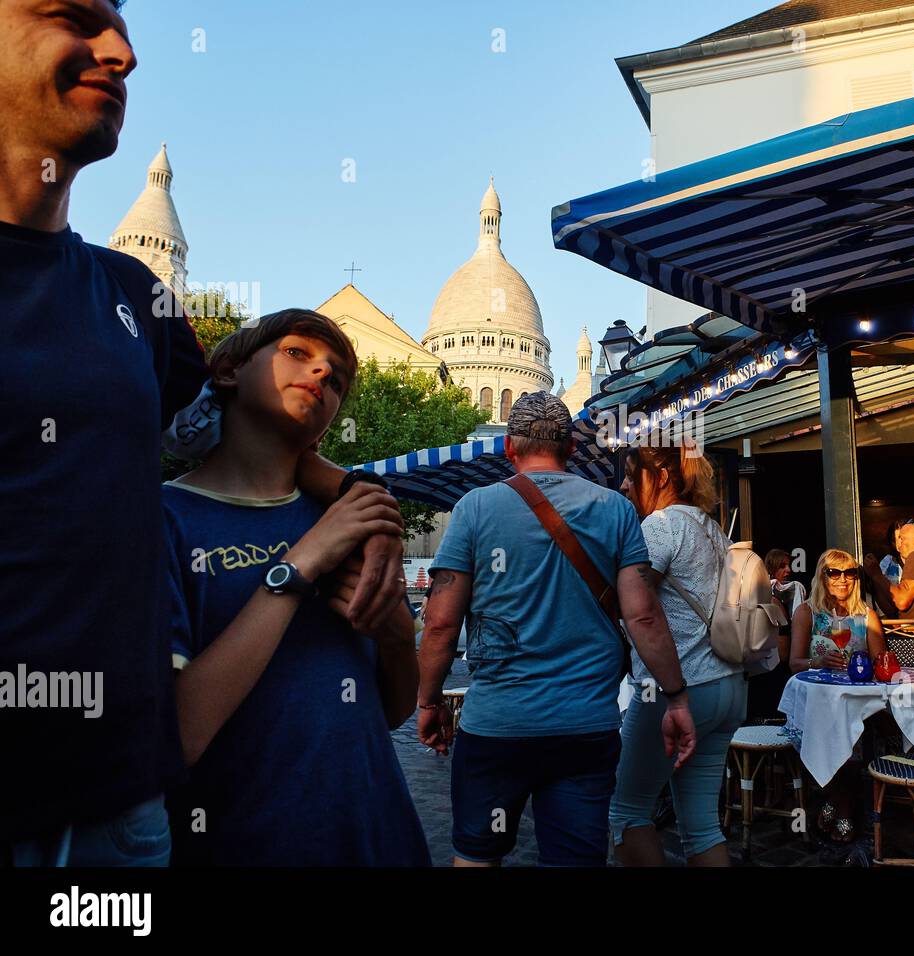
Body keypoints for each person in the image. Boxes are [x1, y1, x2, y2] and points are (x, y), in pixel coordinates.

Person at [0, 0, 406, 864]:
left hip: (118, 809)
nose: (122, 51)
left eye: (123, 24)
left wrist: (364, 512)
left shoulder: (134, 299)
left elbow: (248, 430)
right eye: (71, 14)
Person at [162, 310, 428, 865]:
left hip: (380, 838)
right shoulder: (162, 519)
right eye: (296, 353)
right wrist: (297, 567)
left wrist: (400, 638)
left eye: (336, 378)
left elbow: (391, 711)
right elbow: (176, 736)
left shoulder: (352, 523)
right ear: (230, 371)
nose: (321, 374)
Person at [417, 392, 696, 866]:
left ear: (509, 447)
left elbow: (441, 623)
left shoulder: (474, 508)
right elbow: (643, 616)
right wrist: (677, 697)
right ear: (570, 449)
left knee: (476, 856)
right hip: (584, 729)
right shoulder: (616, 510)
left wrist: (428, 701)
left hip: (496, 727)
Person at [609, 443, 741, 867]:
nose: (624, 485)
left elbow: (637, 609)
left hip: (675, 692)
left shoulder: (660, 526)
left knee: (625, 811)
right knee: (702, 824)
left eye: (632, 475)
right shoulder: (712, 528)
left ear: (661, 477)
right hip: (728, 687)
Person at [790, 549, 885, 842]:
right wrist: (817, 663)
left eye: (850, 573)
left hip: (855, 701)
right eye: (834, 572)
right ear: (822, 575)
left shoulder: (866, 615)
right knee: (827, 732)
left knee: (852, 737)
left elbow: (881, 660)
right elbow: (794, 663)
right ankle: (842, 804)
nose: (842, 579)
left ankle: (837, 803)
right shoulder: (807, 612)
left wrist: (864, 664)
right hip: (817, 701)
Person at [746, 549, 802, 721]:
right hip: (772, 677)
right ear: (769, 570)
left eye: (789, 566)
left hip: (754, 676)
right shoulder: (772, 601)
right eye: (782, 566)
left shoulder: (759, 596)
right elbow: (784, 653)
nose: (788, 570)